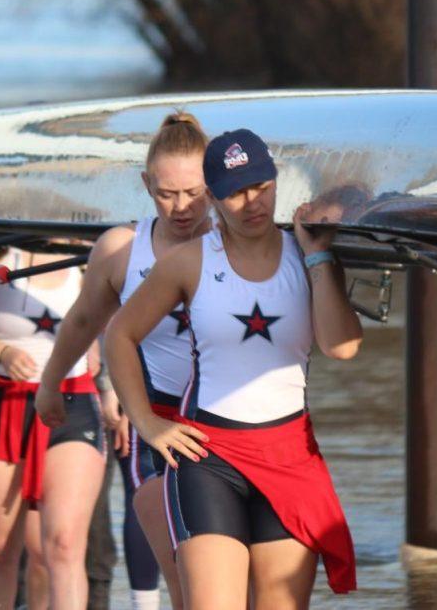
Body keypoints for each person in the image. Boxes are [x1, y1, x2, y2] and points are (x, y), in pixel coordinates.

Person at [105, 128, 363, 609]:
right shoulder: (189, 261)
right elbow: (120, 335)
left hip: (289, 456)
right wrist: (148, 423)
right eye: (236, 192)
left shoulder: (307, 257)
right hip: (208, 458)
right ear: (214, 198)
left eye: (261, 187)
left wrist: (321, 256)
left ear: (275, 182)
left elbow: (341, 347)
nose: (253, 203)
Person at [36, 111, 213, 610]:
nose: (181, 208)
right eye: (166, 194)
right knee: (183, 578)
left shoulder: (240, 241)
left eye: (194, 193)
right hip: (157, 424)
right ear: (145, 184)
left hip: (230, 421)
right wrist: (50, 384)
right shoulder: (121, 249)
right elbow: (81, 322)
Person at [0, 245, 105, 610]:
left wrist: (114, 376)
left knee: (63, 545)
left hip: (70, 401)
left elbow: (124, 320)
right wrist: (1, 353)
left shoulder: (90, 252)